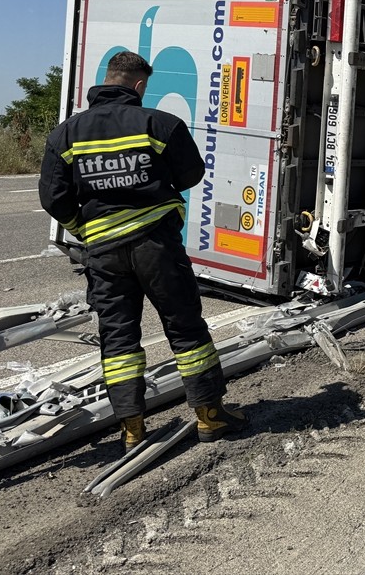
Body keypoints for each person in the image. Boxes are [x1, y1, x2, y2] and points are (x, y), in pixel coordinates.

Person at [39, 51, 246, 453]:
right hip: (156, 245)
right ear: (137, 86)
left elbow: (53, 197)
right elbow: (192, 173)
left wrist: (84, 228)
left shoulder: (65, 134)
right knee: (186, 328)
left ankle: (132, 431)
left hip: (103, 253)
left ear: (106, 81)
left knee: (117, 340)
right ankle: (210, 416)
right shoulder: (159, 124)